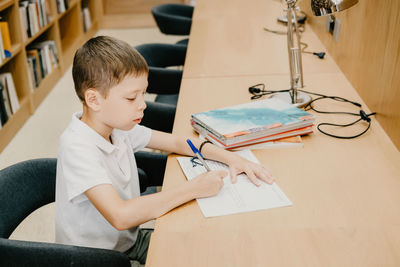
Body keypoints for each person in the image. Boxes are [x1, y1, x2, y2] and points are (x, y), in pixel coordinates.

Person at [55, 36, 274, 266]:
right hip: (93, 259)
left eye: (143, 94)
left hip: (126, 242)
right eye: (131, 97)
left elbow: (180, 143)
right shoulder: (77, 146)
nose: (143, 104)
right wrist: (194, 189)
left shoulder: (117, 126)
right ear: (94, 99)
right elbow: (120, 216)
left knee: (213, 246)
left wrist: (231, 158)